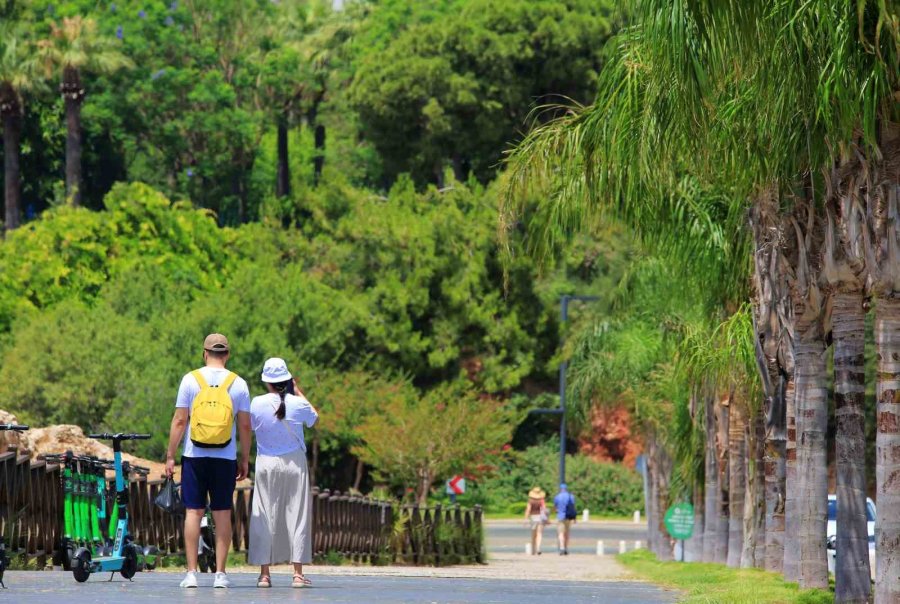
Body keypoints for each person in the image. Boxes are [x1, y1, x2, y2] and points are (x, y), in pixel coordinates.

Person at [165, 333, 252, 589]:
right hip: (225, 457)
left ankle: (191, 573)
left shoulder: (190, 380)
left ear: (205, 353)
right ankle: (221, 575)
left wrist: (171, 454)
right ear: (227, 354)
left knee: (193, 511)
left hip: (194, 455)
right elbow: (245, 425)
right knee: (222, 513)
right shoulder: (239, 384)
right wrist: (244, 457)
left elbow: (180, 420)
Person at [248, 358, 318, 589]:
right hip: (294, 462)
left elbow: (249, 427)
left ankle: (264, 574)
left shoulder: (256, 403)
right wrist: (297, 390)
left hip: (266, 462)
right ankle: (297, 574)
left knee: (264, 515)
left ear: (266, 381)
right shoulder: (297, 404)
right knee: (297, 515)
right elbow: (314, 418)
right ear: (287, 379)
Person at [553, 483, 576, 555]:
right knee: (567, 533)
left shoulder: (557, 497)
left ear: (560, 489)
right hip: (568, 517)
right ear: (566, 489)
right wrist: (574, 518)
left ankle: (562, 548)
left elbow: (555, 507)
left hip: (560, 516)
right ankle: (566, 548)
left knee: (560, 533)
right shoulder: (571, 496)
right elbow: (573, 507)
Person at [524, 487, 548, 555]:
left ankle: (533, 550)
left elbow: (528, 510)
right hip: (540, 517)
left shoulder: (530, 500)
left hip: (533, 517)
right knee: (539, 534)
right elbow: (544, 509)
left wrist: (525, 519)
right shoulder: (541, 500)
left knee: (533, 534)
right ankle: (538, 548)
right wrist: (547, 519)